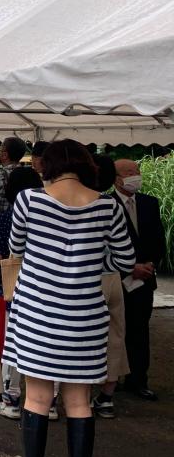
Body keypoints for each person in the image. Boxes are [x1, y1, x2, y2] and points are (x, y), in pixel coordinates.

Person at [3, 140, 135, 457]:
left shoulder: (29, 200)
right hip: (84, 316)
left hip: (36, 313)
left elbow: (16, 247)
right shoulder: (107, 205)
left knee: (37, 397)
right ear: (85, 164)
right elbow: (124, 259)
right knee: (79, 401)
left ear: (50, 165)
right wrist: (93, 259)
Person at [0, 166, 44, 420]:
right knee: (43, 346)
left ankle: (9, 398)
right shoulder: (49, 213)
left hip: (11, 287)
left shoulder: (6, 218)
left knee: (14, 343)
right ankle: (50, 402)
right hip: (45, 287)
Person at [114, 158, 165, 401]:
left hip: (144, 278)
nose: (135, 175)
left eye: (137, 171)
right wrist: (128, 268)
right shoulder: (106, 204)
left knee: (139, 330)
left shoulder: (149, 203)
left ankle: (138, 379)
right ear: (116, 178)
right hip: (117, 280)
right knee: (114, 332)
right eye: (129, 172)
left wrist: (149, 265)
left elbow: (158, 240)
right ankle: (110, 381)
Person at [90, 155, 132, 418]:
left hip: (88, 279)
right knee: (115, 335)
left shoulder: (81, 203)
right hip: (114, 277)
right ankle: (107, 396)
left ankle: (65, 392)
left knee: (75, 332)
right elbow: (124, 254)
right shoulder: (113, 205)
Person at [0, 137, 27, 220]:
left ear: (5, 155)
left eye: (0, 150)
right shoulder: (29, 174)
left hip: (2, 225)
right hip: (22, 222)